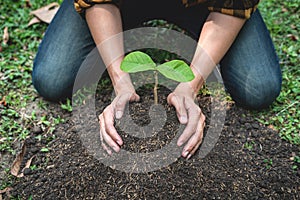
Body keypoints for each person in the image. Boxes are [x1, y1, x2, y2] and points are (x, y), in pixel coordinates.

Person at [32, 0, 282, 159]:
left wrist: (189, 85)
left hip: (201, 4)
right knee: (52, 79)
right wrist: (120, 80)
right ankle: (119, 31)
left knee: (259, 87)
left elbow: (234, 4)